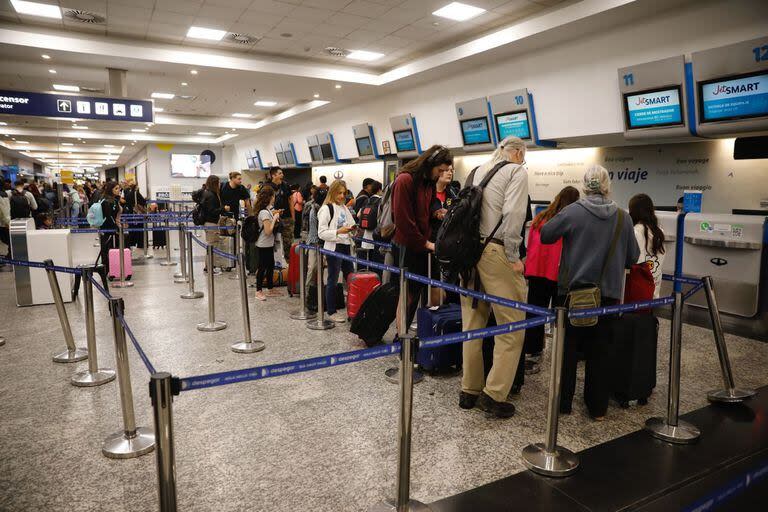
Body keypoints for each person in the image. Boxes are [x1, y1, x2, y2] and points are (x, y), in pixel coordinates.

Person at [540, 165, 640, 420]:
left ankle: (563, 404)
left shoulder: (573, 212)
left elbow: (546, 235)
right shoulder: (623, 217)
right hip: (608, 296)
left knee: (567, 351)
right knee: (601, 352)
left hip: (572, 294)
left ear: (585, 186)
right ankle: (597, 408)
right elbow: (633, 256)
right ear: (607, 186)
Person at [457, 136, 529, 419]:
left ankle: (469, 390)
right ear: (518, 153)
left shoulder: (475, 171)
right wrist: (513, 256)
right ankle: (494, 394)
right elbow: (513, 213)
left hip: (469, 256)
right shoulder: (516, 172)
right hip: (496, 252)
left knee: (473, 324)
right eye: (523, 155)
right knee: (511, 327)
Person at [520, 186, 580, 379]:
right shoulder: (571, 221)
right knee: (561, 317)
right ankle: (562, 352)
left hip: (536, 272)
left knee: (534, 314)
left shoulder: (540, 217)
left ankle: (533, 353)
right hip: (558, 275)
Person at [392, 145, 453, 328]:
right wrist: (425, 243)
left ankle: (427, 333)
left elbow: (428, 208)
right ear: (429, 163)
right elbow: (403, 220)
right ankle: (401, 338)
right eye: (440, 170)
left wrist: (436, 213)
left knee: (429, 291)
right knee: (408, 295)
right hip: (408, 246)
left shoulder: (428, 184)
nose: (441, 174)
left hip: (424, 246)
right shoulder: (405, 180)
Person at [318, 180, 356, 323]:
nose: (341, 196)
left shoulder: (344, 208)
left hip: (345, 245)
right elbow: (321, 233)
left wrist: (352, 228)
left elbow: (351, 223)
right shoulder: (326, 209)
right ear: (332, 192)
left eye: (344, 193)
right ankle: (331, 311)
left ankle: (354, 308)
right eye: (339, 193)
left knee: (350, 278)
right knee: (333, 279)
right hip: (334, 247)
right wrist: (338, 231)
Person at [428, 165, 458, 305]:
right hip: (430, 247)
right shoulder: (427, 193)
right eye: (446, 170)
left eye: (451, 170)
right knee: (433, 288)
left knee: (450, 289)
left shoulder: (453, 194)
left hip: (448, 246)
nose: (450, 173)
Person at [629, 193, 666, 298]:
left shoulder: (635, 231)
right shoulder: (659, 232)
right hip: (654, 290)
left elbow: (632, 262)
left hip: (637, 291)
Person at [253, 187, 282, 301]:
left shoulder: (268, 210)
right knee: (262, 267)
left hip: (269, 243)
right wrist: (274, 218)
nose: (274, 198)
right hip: (263, 244)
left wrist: (275, 215)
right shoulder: (264, 212)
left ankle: (270, 288)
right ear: (270, 197)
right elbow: (268, 231)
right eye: (273, 196)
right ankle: (258, 291)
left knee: (270, 266)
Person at [200, 174, 231, 273]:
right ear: (214, 183)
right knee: (213, 245)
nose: (220, 184)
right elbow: (212, 211)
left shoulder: (206, 193)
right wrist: (224, 209)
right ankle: (209, 267)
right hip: (211, 223)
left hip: (208, 223)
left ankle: (208, 266)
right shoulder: (212, 195)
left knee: (211, 245)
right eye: (218, 182)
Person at [264, 168, 294, 260]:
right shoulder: (267, 187)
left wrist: (293, 217)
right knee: (271, 241)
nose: (282, 175)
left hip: (286, 217)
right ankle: (272, 264)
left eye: (282, 173)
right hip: (271, 218)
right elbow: (263, 203)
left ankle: (289, 263)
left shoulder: (285, 185)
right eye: (280, 173)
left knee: (288, 242)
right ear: (273, 175)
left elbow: (291, 200)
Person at [357, 180, 384, 274]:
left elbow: (358, 215)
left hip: (366, 236)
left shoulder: (366, 200)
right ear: (379, 190)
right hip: (376, 236)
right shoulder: (381, 201)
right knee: (376, 262)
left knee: (367, 261)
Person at [98, 180, 122, 276]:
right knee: (109, 249)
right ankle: (108, 270)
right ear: (110, 189)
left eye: (118, 188)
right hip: (109, 229)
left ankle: (110, 269)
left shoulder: (109, 199)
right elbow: (109, 216)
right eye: (116, 188)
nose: (118, 190)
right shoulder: (108, 201)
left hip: (107, 228)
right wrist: (116, 227)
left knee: (108, 249)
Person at [305, 187, 327, 289]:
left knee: (314, 267)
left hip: (316, 240)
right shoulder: (316, 208)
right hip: (316, 241)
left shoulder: (313, 206)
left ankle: (314, 290)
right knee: (314, 267)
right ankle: (310, 291)